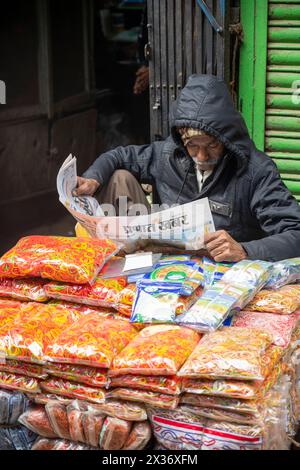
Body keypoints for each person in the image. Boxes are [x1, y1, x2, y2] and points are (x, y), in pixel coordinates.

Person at [76, 74, 300, 262]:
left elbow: (295, 234)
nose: (202, 156)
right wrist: (93, 178)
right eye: (193, 145)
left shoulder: (255, 171)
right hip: (165, 259)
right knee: (118, 177)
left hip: (222, 268)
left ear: (227, 139)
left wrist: (245, 250)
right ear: (182, 140)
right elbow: (119, 155)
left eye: (212, 145)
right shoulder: (167, 155)